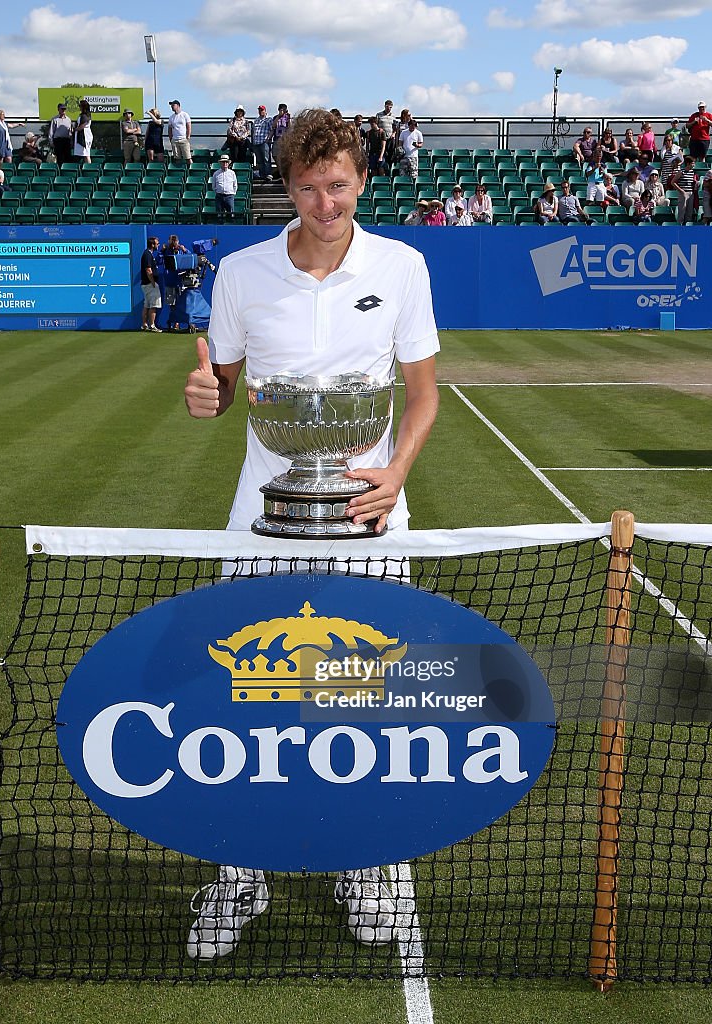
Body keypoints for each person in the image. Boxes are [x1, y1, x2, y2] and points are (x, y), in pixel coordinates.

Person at [183, 108, 439, 961]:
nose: (323, 203)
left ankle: (363, 868)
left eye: (337, 185)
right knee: (244, 702)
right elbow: (220, 388)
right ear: (284, 187)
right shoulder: (242, 272)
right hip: (262, 518)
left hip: (370, 519)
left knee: (365, 702)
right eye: (305, 186)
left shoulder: (401, 266)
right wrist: (204, 395)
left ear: (360, 180)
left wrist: (396, 474)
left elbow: (423, 393)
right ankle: (237, 874)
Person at [161, 234, 189, 331]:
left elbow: (190, 258)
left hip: (180, 281)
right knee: (172, 304)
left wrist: (185, 250)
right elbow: (159, 260)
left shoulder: (182, 250)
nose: (174, 245)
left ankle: (177, 323)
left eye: (175, 243)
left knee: (181, 303)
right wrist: (162, 251)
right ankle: (174, 322)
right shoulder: (166, 251)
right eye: (172, 243)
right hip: (170, 281)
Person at [140, 236, 162, 332]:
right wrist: (153, 282)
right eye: (157, 243)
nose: (158, 245)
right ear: (152, 244)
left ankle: (145, 325)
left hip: (147, 284)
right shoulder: (147, 255)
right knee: (153, 305)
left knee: (147, 305)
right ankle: (152, 325)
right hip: (149, 284)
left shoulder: (148, 254)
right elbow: (148, 270)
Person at [670, 155, 699, 225]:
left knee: (689, 213)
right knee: (681, 213)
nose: (694, 165)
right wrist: (681, 191)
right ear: (688, 163)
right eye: (692, 163)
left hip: (691, 193)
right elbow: (672, 182)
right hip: (683, 194)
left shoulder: (692, 172)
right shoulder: (681, 172)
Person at [211, 153, 238, 221]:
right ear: (220, 163)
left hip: (229, 196)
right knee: (219, 214)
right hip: (219, 196)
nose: (225, 163)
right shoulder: (216, 173)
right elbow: (213, 185)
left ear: (228, 163)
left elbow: (235, 185)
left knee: (231, 214)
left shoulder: (232, 173)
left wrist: (232, 193)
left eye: (226, 162)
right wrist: (218, 191)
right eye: (223, 162)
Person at [251, 105, 274, 182]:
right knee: (259, 160)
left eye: (262, 110)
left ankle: (268, 174)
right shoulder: (256, 120)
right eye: (259, 110)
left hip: (264, 142)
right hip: (256, 143)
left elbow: (272, 130)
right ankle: (262, 175)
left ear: (265, 111)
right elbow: (253, 131)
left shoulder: (268, 120)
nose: (260, 111)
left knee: (266, 159)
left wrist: (268, 139)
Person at [167, 100, 192, 168]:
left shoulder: (184, 115)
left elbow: (189, 125)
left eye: (173, 105)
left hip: (183, 139)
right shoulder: (171, 117)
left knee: (188, 157)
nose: (172, 107)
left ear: (178, 105)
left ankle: (190, 169)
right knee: (177, 158)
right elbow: (169, 128)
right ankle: (179, 172)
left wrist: (188, 136)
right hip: (175, 140)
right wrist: (171, 139)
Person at [398, 117, 423, 182]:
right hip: (404, 156)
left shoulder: (418, 133)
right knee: (402, 174)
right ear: (409, 125)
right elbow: (400, 143)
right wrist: (400, 150)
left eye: (414, 126)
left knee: (414, 174)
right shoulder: (403, 132)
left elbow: (421, 144)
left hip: (413, 156)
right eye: (411, 126)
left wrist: (417, 145)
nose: (413, 127)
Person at [375, 99, 395, 164]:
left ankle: (389, 168)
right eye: (387, 107)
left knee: (390, 154)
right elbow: (376, 124)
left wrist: (394, 133)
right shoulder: (379, 115)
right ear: (385, 106)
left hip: (390, 138)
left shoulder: (393, 116)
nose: (389, 108)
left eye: (390, 107)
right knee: (381, 153)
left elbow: (395, 127)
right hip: (381, 138)